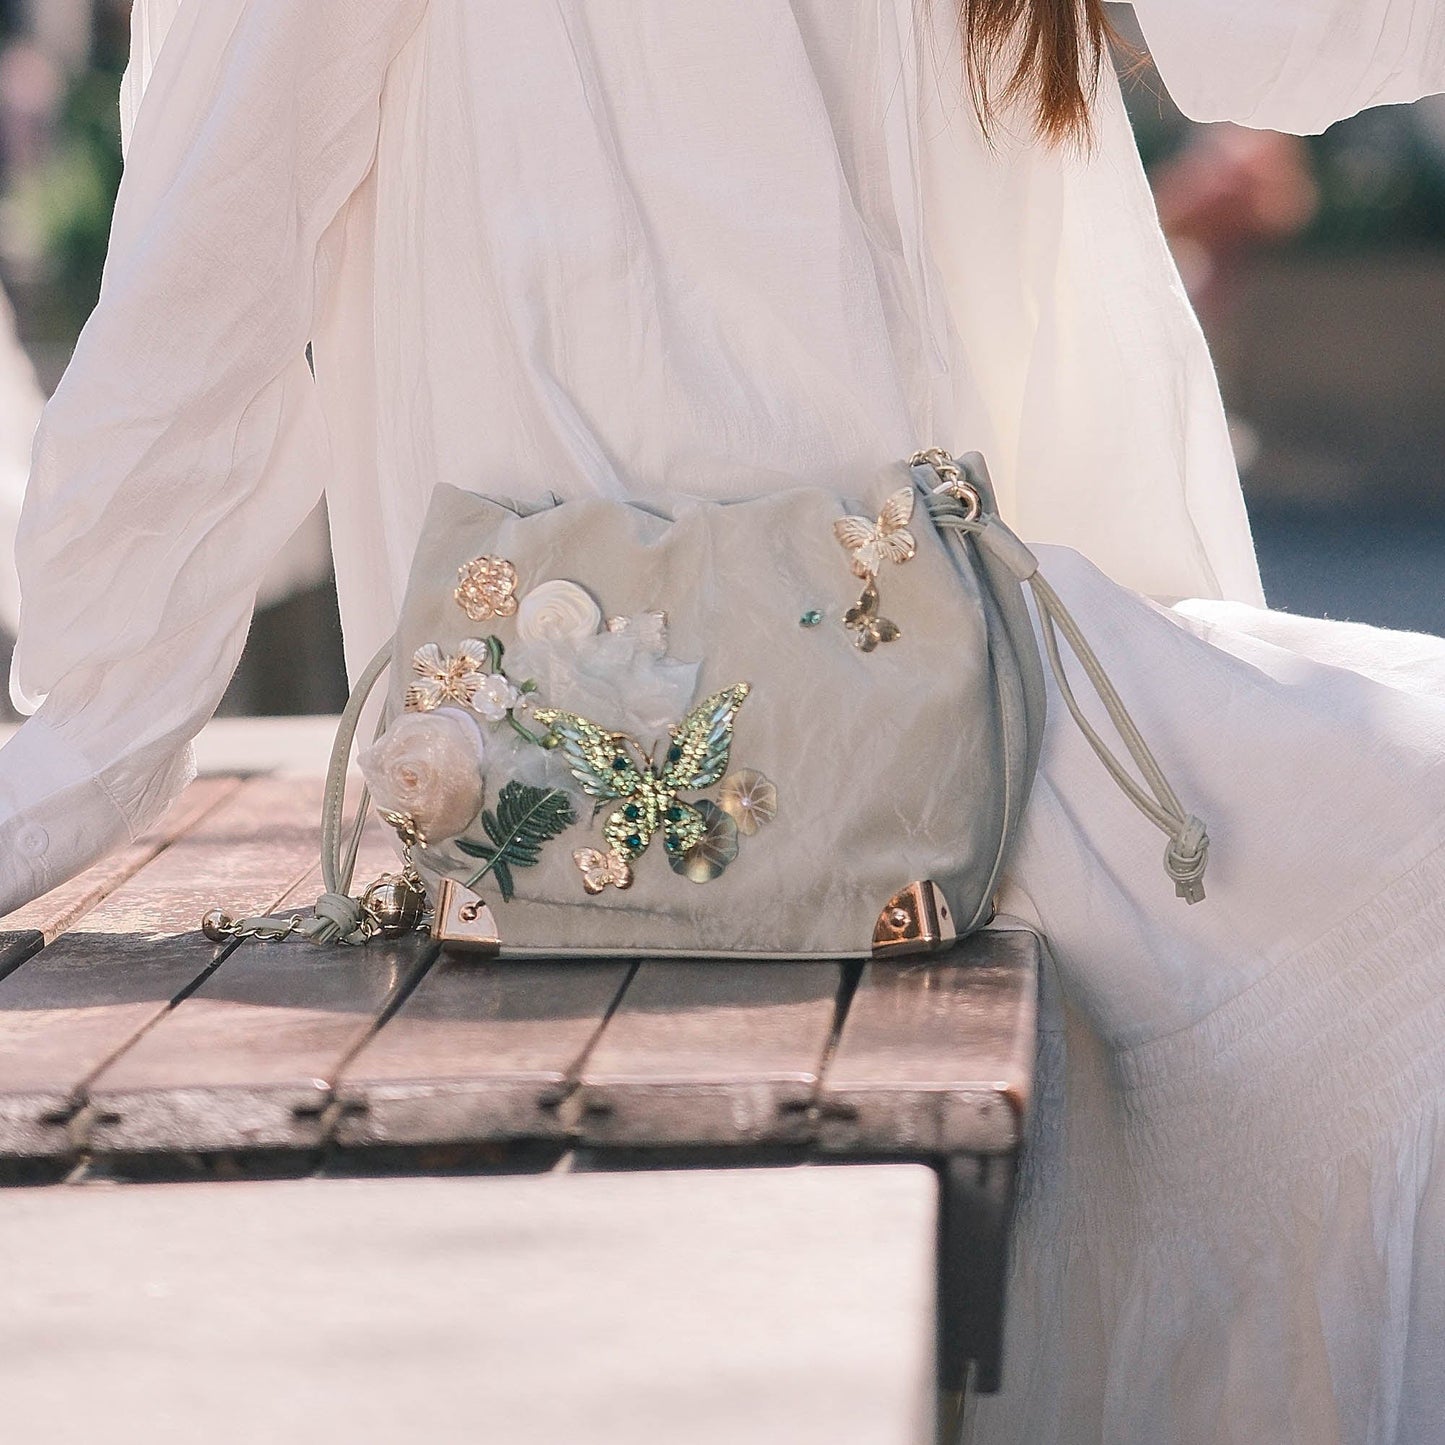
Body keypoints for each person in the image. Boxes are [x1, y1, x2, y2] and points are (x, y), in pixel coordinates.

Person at [6, 2, 1445, 1440]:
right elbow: (215, 235)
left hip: (922, 646)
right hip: (640, 669)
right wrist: (86, 746)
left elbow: (1270, 40)